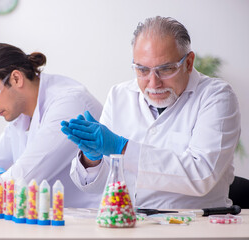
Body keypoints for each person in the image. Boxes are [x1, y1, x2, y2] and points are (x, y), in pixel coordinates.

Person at [61, 16, 241, 209]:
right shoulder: (120, 95)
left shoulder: (216, 96)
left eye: (165, 70)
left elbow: (201, 175)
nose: (154, 83)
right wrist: (92, 159)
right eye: (142, 70)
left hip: (193, 226)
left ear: (188, 63)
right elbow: (99, 186)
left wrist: (121, 148)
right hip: (128, 221)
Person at [0, 43, 102, 208]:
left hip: (92, 222)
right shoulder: (21, 115)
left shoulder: (68, 104)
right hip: (52, 219)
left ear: (16, 78)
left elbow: (21, 179)